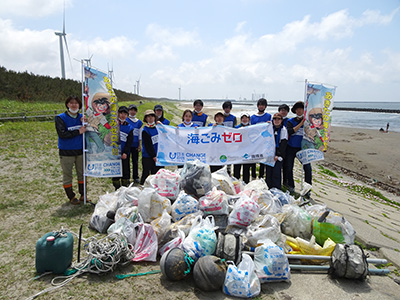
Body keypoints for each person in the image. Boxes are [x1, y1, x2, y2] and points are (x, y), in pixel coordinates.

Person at [55, 95, 86, 205]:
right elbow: (62, 134)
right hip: (66, 152)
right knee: (67, 175)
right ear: (67, 105)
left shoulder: (83, 118)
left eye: (76, 103)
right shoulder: (60, 118)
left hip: (80, 151)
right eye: (71, 103)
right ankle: (71, 196)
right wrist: (78, 131)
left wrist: (87, 122)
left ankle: (83, 195)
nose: (74, 105)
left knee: (82, 174)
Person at [285, 101, 312, 197]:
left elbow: (314, 134)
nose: (299, 111)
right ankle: (291, 186)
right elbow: (290, 132)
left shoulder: (308, 122)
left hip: (303, 149)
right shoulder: (290, 121)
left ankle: (307, 189)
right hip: (291, 147)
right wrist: (301, 123)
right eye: (297, 109)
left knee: (307, 168)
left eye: (301, 109)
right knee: (289, 168)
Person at [112, 106, 134, 190]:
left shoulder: (129, 127)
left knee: (125, 171)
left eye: (125, 114)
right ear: (118, 114)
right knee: (115, 172)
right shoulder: (113, 125)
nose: (122, 115)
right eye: (121, 113)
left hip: (124, 154)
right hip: (114, 153)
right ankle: (117, 188)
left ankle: (125, 188)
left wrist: (125, 152)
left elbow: (129, 142)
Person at [250, 98, 271, 179]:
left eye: (263, 105)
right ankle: (253, 176)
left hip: (264, 142)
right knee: (254, 159)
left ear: (265, 106)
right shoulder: (253, 117)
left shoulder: (268, 116)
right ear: (257, 106)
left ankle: (261, 176)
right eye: (260, 105)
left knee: (263, 160)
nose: (261, 106)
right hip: (255, 142)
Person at [266, 113, 288, 189]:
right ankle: (268, 188)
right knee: (268, 173)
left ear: (281, 120)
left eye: (279, 119)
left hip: (278, 155)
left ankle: (276, 189)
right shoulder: (270, 128)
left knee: (276, 173)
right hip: (269, 154)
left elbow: (283, 144)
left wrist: (278, 155)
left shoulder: (283, 130)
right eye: (275, 119)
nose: (276, 120)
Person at [233, 113, 255, 183]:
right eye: (243, 118)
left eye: (246, 118)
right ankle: (236, 184)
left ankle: (246, 183)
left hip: (248, 151)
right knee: (236, 168)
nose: (244, 120)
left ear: (249, 119)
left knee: (246, 169)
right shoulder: (236, 128)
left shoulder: (252, 128)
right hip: (237, 150)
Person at [140, 110, 161, 184]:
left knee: (157, 173)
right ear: (146, 119)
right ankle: (143, 186)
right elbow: (147, 145)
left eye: (152, 116)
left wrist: (161, 125)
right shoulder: (145, 130)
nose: (150, 118)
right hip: (148, 156)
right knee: (146, 173)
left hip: (158, 155)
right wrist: (153, 156)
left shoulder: (158, 128)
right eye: (148, 117)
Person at [126, 104, 143, 184]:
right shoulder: (126, 120)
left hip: (135, 144)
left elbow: (140, 134)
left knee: (135, 161)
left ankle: (135, 177)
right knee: (127, 162)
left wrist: (139, 145)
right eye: (131, 110)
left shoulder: (139, 122)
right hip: (127, 145)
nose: (132, 112)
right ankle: (127, 177)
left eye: (134, 110)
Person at [278, 104, 290, 186]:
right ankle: (278, 181)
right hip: (278, 146)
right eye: (282, 110)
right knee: (278, 165)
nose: (283, 112)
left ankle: (285, 182)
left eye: (285, 110)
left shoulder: (289, 121)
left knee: (286, 165)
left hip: (288, 146)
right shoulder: (275, 119)